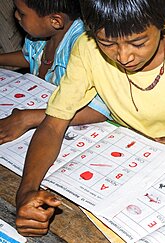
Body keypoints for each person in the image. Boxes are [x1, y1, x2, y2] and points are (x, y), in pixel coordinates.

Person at [15, 0, 165, 236]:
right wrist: (26, 192)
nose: (124, 56)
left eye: (138, 43)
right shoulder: (88, 50)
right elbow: (53, 125)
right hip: (129, 161)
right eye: (107, 43)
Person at [0, 0, 110, 145]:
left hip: (77, 126)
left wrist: (27, 118)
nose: (16, 16)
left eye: (22, 13)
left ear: (55, 21)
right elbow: (32, 58)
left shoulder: (82, 47)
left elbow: (99, 110)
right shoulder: (39, 36)